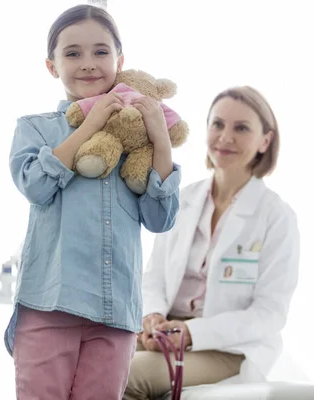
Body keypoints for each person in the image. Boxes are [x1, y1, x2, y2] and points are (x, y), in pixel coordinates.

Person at [4, 4, 182, 400]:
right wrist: (90, 124)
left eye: (101, 52)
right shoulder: (34, 128)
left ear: (120, 61)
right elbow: (35, 186)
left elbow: (161, 218)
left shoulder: (138, 137)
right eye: (72, 53)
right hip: (49, 306)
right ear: (51, 65)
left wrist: (161, 138)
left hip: (115, 314)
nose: (88, 63)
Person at [123, 86, 300, 400]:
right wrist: (151, 317)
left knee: (129, 375)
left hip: (226, 347)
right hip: (165, 330)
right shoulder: (184, 199)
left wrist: (192, 333)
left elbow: (270, 313)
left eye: (241, 128)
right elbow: (153, 277)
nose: (225, 137)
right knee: (86, 357)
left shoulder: (276, 217)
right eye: (218, 124)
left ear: (265, 141)